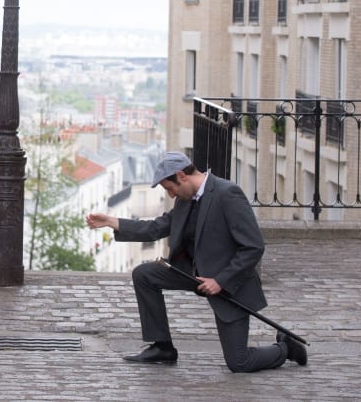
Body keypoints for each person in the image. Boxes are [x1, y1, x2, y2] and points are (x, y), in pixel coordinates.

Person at [85, 151, 307, 372]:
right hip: (192, 274)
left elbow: (253, 247)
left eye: (169, 188)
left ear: (182, 176)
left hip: (230, 284)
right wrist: (111, 221)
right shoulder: (185, 198)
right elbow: (156, 228)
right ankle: (162, 347)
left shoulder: (227, 194)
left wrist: (220, 281)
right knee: (144, 274)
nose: (170, 195)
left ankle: (286, 348)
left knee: (239, 362)